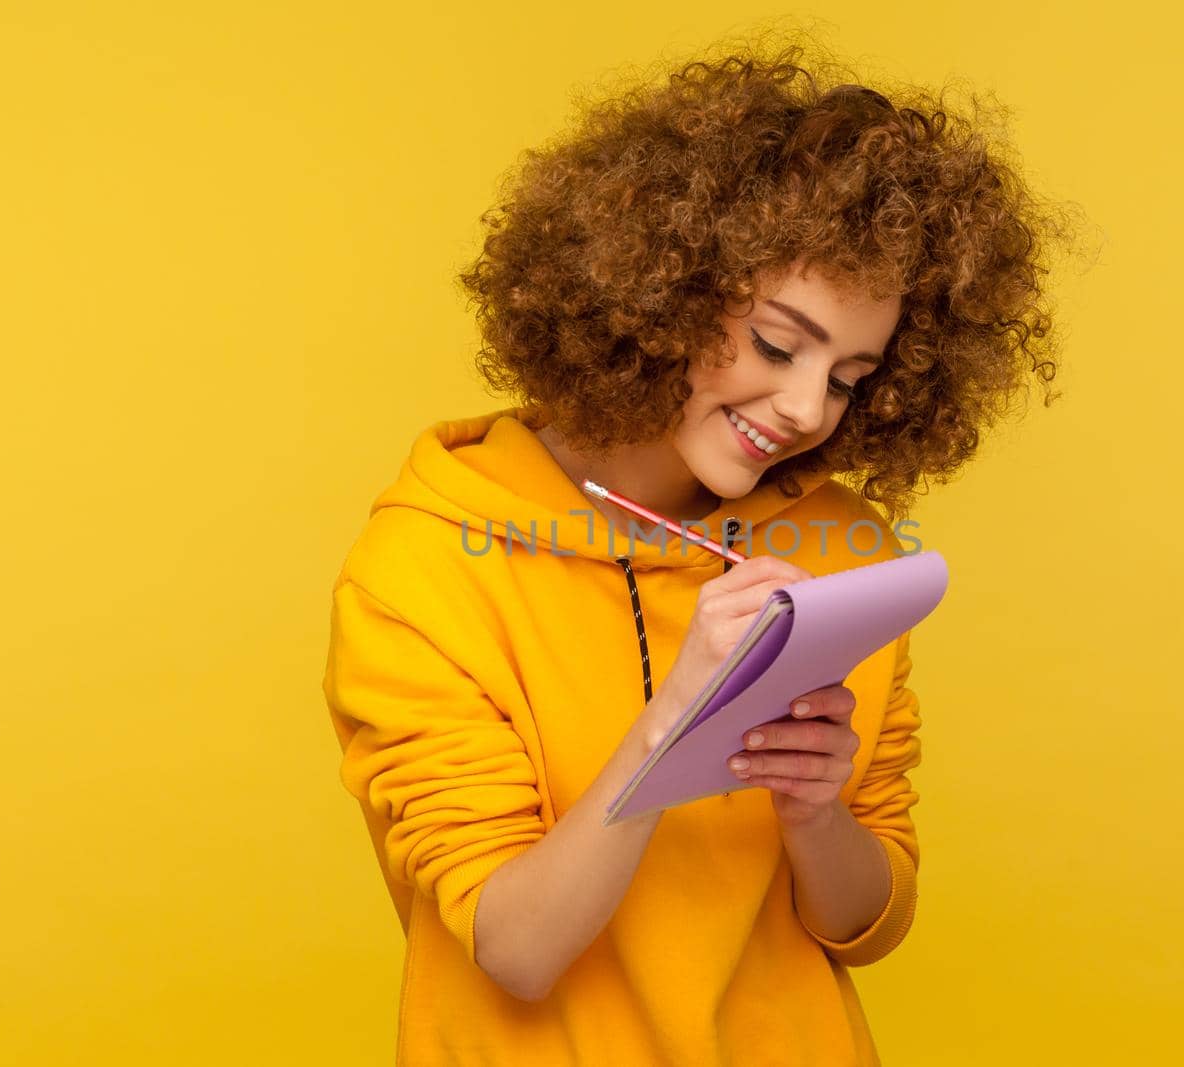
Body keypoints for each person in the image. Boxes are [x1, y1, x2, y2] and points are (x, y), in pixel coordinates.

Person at [322, 42, 1070, 1067]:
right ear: (653, 294)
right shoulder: (424, 567)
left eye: (849, 376)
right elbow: (518, 948)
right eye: (776, 344)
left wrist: (814, 810)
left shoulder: (842, 545)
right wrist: (679, 716)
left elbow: (871, 921)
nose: (808, 407)